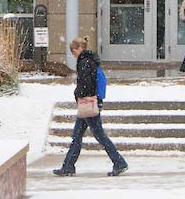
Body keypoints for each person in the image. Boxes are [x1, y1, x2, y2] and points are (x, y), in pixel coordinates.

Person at [54, 36, 129, 177]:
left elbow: (85, 83)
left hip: (88, 103)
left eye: (73, 51)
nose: (73, 55)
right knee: (77, 135)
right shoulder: (91, 60)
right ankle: (68, 166)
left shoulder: (84, 62)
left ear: (78, 49)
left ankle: (119, 162)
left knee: (98, 135)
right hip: (90, 102)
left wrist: (78, 94)